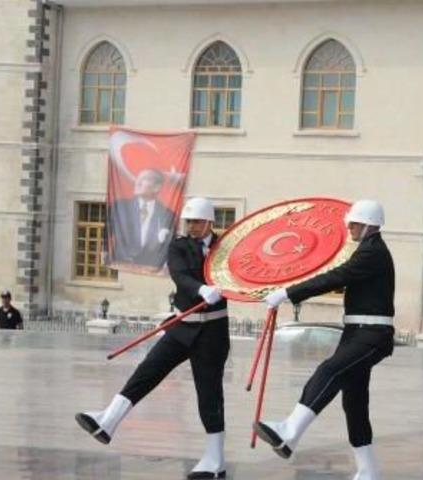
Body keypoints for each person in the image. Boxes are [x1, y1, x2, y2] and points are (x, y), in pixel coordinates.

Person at [76, 197, 230, 479]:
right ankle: (108, 420)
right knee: (148, 370)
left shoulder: (226, 248)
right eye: (189, 222)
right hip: (183, 327)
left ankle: (215, 458)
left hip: (213, 334)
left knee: (209, 394)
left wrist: (234, 286)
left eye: (196, 222)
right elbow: (180, 276)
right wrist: (201, 289)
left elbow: (243, 272)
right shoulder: (179, 245)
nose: (192, 226)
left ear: (210, 222)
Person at [253, 200, 394, 480]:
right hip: (356, 332)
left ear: (368, 224)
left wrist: (288, 293)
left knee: (328, 370)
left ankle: (290, 432)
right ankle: (369, 471)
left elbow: (337, 277)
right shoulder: (366, 251)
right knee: (354, 402)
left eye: (354, 223)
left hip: (372, 334)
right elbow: (336, 275)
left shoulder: (373, 252)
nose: (349, 227)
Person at [108, 168, 176, 269]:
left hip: (150, 270)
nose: (137, 182)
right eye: (138, 178)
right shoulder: (120, 207)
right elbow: (106, 233)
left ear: (157, 187)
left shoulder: (167, 214)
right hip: (122, 267)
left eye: (144, 179)